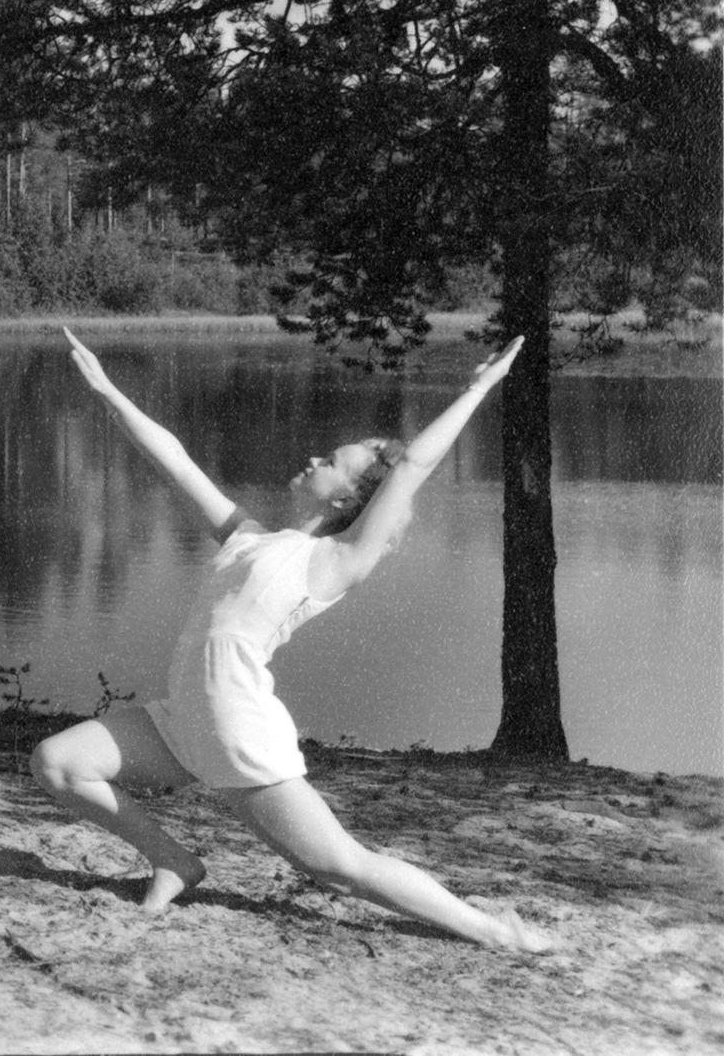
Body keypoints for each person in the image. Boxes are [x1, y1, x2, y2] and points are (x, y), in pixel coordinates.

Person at [32, 328, 553, 951]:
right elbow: (173, 461)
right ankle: (174, 861)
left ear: (357, 497)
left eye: (332, 463)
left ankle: (491, 931)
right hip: (181, 721)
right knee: (59, 764)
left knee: (338, 868)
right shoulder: (246, 537)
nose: (314, 461)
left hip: (236, 727)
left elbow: (414, 464)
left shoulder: (336, 559)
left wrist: (479, 388)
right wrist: (107, 390)